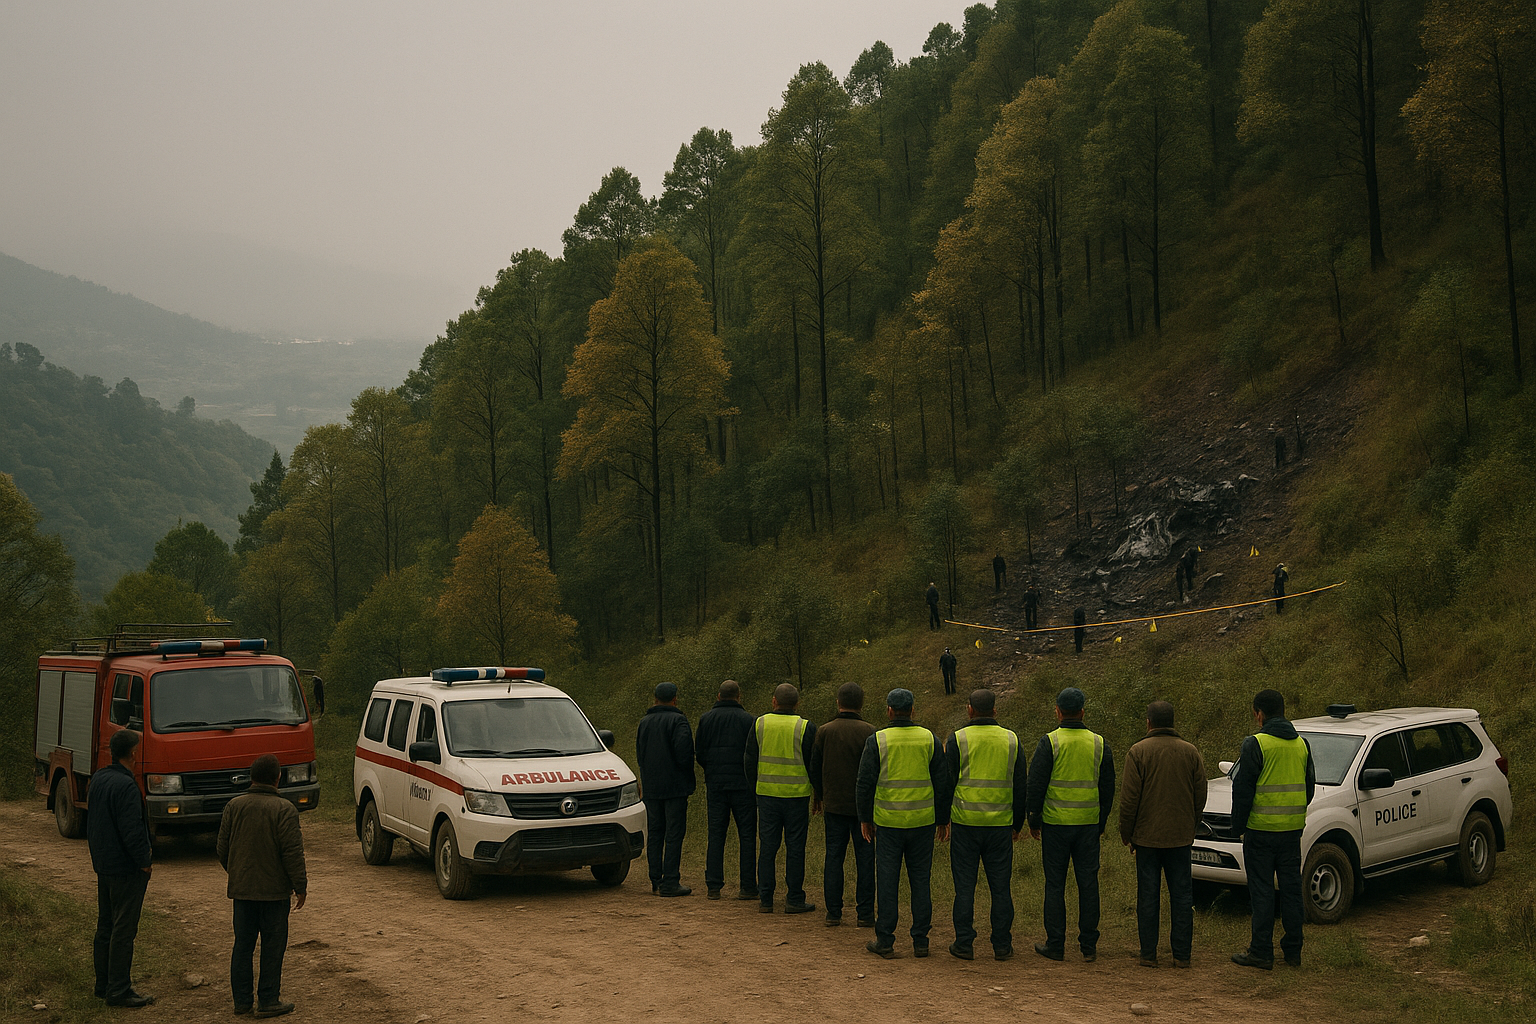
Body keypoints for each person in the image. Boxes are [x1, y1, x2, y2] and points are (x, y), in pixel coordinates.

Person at [857, 688, 951, 959]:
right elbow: (941, 783)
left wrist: (865, 818)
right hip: (922, 822)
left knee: (887, 881)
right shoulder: (929, 739)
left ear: (888, 710)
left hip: (888, 823)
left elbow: (865, 783)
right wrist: (943, 820)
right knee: (921, 880)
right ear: (913, 710)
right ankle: (921, 941)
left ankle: (885, 940)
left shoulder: (878, 740)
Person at [1026, 687, 1115, 963]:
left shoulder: (1050, 742)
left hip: (1055, 825)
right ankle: (1089, 946)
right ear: (1083, 712)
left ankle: (1055, 945)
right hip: (1088, 825)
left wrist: (1033, 819)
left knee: (1055, 885)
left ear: (1058, 711)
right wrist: (1101, 821)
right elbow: (1108, 787)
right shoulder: (1099, 743)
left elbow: (1036, 784)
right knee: (1088, 884)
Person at [1230, 689, 1316, 970]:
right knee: (1291, 891)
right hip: (1292, 833)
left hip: (1260, 832)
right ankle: (1293, 952)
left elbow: (1243, 790)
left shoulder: (1255, 744)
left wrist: (1238, 826)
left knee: (1263, 892)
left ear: (1259, 714)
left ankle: (1261, 952)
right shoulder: (1302, 744)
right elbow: (1309, 787)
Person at [217, 753, 308, 1018]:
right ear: (278, 778)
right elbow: (292, 853)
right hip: (274, 893)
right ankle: (268, 1000)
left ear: (252, 777)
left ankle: (242, 1002)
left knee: (242, 946)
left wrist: (236, 872)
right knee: (272, 947)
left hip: (242, 892)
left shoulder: (234, 806)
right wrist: (299, 885)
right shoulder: (285, 810)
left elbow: (222, 848)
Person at [1119, 701, 1207, 969]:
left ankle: (1148, 954)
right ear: (1172, 722)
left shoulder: (1138, 752)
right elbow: (1200, 794)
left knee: (1148, 895)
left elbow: (1129, 799)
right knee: (1182, 896)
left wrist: (1127, 832)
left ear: (1148, 723)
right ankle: (1182, 955)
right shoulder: (1190, 752)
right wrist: (1192, 824)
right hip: (1180, 837)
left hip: (1146, 838)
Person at [944, 689, 1025, 961]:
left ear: (969, 710)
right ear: (995, 711)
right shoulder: (1011, 740)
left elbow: (947, 783)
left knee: (964, 887)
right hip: (1000, 825)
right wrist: (1018, 823)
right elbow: (1020, 785)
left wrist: (943, 819)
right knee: (1001, 888)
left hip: (965, 824)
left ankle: (964, 943)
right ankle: (1002, 945)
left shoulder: (957, 739)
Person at [87, 729, 155, 1008]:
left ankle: (103, 984)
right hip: (126, 868)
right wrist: (145, 861)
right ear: (133, 754)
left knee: (106, 925)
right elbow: (132, 830)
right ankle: (119, 989)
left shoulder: (99, 779)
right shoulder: (127, 786)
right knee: (124, 929)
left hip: (104, 863)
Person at [744, 682, 818, 914]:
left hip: (766, 795)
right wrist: (818, 793)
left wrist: (755, 786)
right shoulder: (805, 727)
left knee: (767, 846)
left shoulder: (760, 723)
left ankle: (765, 898)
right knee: (795, 848)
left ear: (774, 701)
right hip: (796, 796)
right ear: (797, 704)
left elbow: (749, 759)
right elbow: (813, 764)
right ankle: (794, 898)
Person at [809, 682, 876, 928]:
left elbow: (814, 768)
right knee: (865, 859)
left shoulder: (825, 731)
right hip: (863, 810)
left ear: (838, 703)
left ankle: (833, 913)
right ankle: (865, 914)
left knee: (834, 857)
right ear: (861, 704)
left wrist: (820, 794)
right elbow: (874, 772)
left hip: (834, 806)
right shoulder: (870, 732)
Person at [695, 679, 757, 901]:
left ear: (718, 696)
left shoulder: (706, 719)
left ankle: (713, 886)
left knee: (716, 834)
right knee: (747, 835)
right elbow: (752, 754)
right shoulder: (749, 720)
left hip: (716, 785)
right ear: (739, 697)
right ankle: (748, 887)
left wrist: (711, 770)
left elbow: (699, 751)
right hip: (743, 786)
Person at [636, 681, 696, 896]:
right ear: (675, 698)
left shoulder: (644, 722)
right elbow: (684, 754)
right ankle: (671, 880)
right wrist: (686, 776)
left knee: (655, 833)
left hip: (652, 787)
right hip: (675, 787)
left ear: (655, 698)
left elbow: (640, 755)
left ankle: (656, 879)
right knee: (674, 833)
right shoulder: (678, 720)